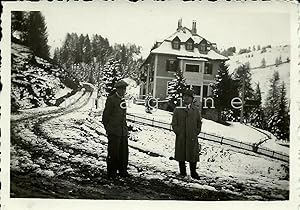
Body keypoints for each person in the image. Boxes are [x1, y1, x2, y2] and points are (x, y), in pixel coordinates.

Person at [171, 89, 202, 179]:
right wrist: (178, 132)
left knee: (192, 155)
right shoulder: (178, 109)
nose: (186, 98)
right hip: (181, 136)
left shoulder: (195, 110)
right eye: (184, 96)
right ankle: (182, 172)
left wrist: (196, 132)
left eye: (188, 97)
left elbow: (199, 123)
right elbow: (174, 123)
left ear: (192, 99)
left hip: (192, 137)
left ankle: (193, 172)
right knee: (181, 154)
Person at [102, 80, 129, 178]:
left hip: (123, 132)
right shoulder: (111, 99)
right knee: (113, 153)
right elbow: (105, 117)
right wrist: (108, 129)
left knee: (123, 153)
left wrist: (125, 129)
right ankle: (111, 172)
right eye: (121, 89)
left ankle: (123, 171)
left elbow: (123, 116)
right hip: (114, 132)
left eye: (124, 89)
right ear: (117, 89)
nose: (123, 91)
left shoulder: (123, 100)